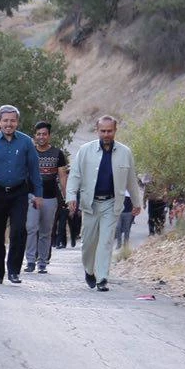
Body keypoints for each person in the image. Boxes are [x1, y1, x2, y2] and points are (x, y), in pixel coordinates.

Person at [66, 116, 142, 292]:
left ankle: (102, 278)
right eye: (103, 131)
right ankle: (89, 270)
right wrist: (71, 197)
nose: (106, 134)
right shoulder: (85, 150)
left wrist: (136, 202)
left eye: (109, 131)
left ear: (115, 131)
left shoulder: (125, 152)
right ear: (97, 131)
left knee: (106, 241)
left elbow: (131, 179)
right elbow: (75, 175)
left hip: (111, 203)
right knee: (88, 242)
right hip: (90, 203)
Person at [0, 105, 42, 285]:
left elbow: (34, 170)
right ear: (0, 121)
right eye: (5, 121)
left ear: (17, 122)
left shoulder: (26, 142)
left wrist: (38, 194)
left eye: (12, 121)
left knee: (19, 231)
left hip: (19, 192)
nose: (9, 124)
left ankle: (14, 271)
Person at [24, 121, 67, 274]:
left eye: (44, 134)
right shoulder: (29, 152)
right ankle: (30, 260)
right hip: (32, 196)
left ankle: (42, 262)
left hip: (50, 197)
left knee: (46, 231)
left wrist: (66, 195)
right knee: (31, 228)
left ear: (49, 136)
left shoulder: (57, 153)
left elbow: (62, 176)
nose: (41, 137)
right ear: (35, 136)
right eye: (38, 134)